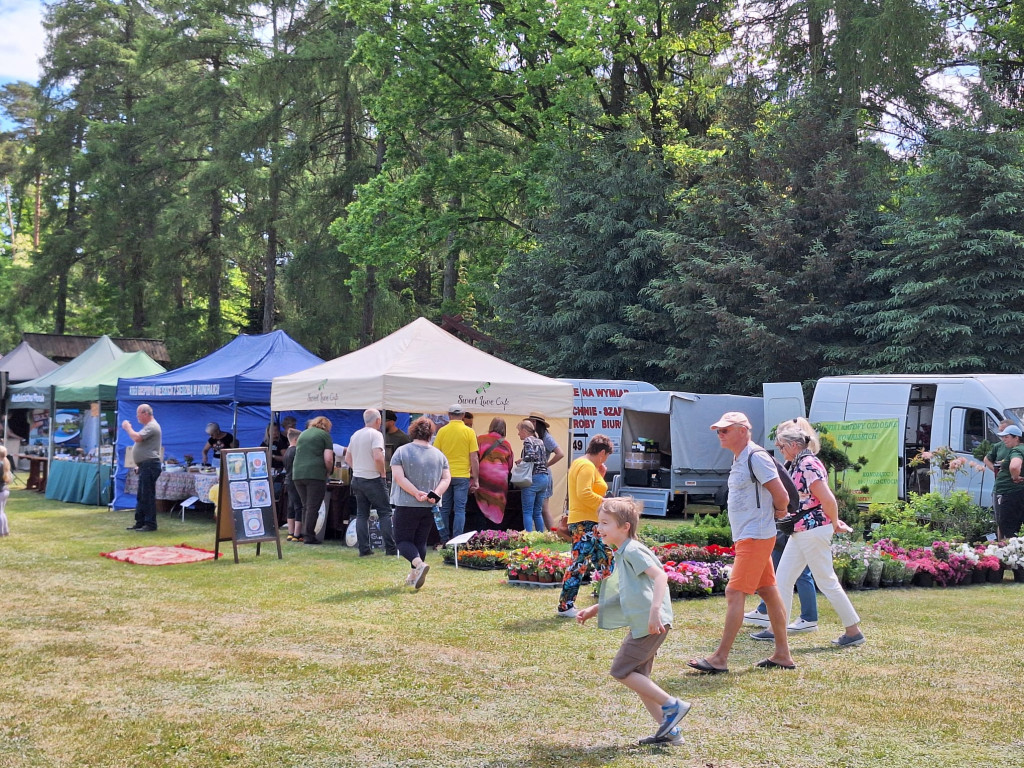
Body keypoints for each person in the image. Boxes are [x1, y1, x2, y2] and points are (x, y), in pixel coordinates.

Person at [577, 497, 691, 746]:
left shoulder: (632, 550)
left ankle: (673, 706)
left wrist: (654, 611)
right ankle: (669, 732)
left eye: (606, 523)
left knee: (621, 670)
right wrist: (596, 608)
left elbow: (661, 577)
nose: (600, 528)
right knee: (640, 678)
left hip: (650, 623)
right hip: (644, 623)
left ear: (625, 527)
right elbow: (627, 592)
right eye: (599, 523)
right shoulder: (624, 552)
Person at [688, 412, 795, 673]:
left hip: (756, 535)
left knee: (734, 592)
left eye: (725, 430)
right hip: (752, 535)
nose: (720, 434)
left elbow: (781, 495)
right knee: (769, 592)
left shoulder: (755, 457)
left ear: (743, 430)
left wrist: (780, 513)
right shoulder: (741, 457)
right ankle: (783, 655)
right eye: (718, 431)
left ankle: (720, 658)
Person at [749, 418, 865, 648]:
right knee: (783, 578)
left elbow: (828, 499)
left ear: (793, 445)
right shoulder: (803, 463)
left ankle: (853, 631)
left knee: (826, 580)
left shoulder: (807, 465)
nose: (780, 452)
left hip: (812, 529)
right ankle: (776, 628)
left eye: (781, 447)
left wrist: (834, 523)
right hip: (804, 529)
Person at [390, 417, 452, 589]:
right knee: (420, 542)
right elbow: (446, 478)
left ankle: (418, 565)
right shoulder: (440, 455)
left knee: (402, 541)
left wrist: (415, 492)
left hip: (406, 503)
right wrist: (436, 493)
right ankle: (413, 576)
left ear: (412, 431)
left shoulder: (401, 452)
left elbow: (399, 477)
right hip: (430, 506)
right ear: (431, 434)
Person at [557, 434, 615, 618]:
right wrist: (607, 504)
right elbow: (584, 494)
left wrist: (601, 474)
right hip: (586, 522)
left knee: (605, 558)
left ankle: (613, 599)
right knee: (579, 563)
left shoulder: (581, 463)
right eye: (606, 456)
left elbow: (587, 490)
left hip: (588, 521)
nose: (606, 460)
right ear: (602, 453)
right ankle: (565, 606)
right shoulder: (587, 466)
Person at [345, 409, 398, 557]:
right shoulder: (376, 435)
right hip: (373, 479)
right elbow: (378, 457)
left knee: (361, 514)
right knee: (385, 512)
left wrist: (358, 468)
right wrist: (382, 473)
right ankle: (391, 549)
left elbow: (348, 458)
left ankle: (364, 549)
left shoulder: (355, 435)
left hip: (357, 478)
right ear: (378, 420)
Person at [743, 535, 818, 633]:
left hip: (799, 529)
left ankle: (809, 618)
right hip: (789, 529)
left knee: (802, 574)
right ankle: (764, 610)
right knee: (775, 566)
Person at [433, 405, 479, 539]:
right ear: (463, 415)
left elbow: (436, 455)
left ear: (449, 414)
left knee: (445, 509)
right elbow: (474, 457)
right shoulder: (469, 432)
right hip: (462, 476)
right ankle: (457, 540)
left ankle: (444, 538)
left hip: (445, 476)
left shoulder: (442, 431)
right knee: (460, 510)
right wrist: (475, 479)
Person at [292, 416, 334, 545]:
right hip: (315, 474)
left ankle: (305, 533)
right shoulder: (324, 436)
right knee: (313, 507)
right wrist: (329, 471)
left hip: (297, 473)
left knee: (306, 506)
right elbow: (328, 458)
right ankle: (309, 536)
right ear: (327, 426)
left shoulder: (303, 434)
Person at [123, 404, 162, 532]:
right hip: (146, 465)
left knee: (147, 495)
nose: (137, 417)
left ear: (145, 413)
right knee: (142, 495)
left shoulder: (152, 426)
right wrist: (140, 464)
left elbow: (137, 438)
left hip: (150, 465)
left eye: (138, 413)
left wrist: (128, 428)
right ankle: (140, 522)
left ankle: (150, 524)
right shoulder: (148, 426)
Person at [527, 411, 565, 530]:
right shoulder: (537, 437)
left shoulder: (546, 437)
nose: (529, 424)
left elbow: (560, 453)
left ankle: (552, 533)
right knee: (540, 508)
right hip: (539, 474)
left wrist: (546, 464)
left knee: (544, 508)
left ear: (536, 423)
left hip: (543, 475)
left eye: (531, 422)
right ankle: (549, 534)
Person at [475, 418, 515, 525]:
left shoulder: (480, 439)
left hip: (483, 477)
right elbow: (510, 464)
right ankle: (494, 530)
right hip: (501, 479)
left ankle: (482, 530)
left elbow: (474, 458)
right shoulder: (506, 444)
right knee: (497, 503)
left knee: (482, 502)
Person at [515, 420, 549, 532]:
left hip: (533, 478)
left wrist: (521, 460)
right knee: (537, 511)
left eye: (519, 431)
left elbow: (531, 456)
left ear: (524, 431)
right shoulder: (540, 441)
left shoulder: (528, 440)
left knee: (527, 511)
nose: (518, 434)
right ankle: (541, 536)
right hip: (544, 478)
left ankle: (528, 536)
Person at [993, 424, 1024, 538]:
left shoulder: (1017, 450)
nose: (1004, 439)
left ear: (1016, 438)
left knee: (1007, 525)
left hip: (1011, 493)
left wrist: (1015, 477)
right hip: (1017, 493)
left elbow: (1015, 466)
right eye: (1003, 437)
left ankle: (1010, 552)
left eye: (1007, 437)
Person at [985, 419, 1015, 531]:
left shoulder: (1018, 448)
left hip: (1016, 487)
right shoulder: (998, 446)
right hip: (1000, 488)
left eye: (1004, 433)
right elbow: (987, 459)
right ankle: (1001, 544)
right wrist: (996, 471)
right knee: (1000, 520)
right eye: (1000, 432)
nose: (1002, 437)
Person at [282, 428, 303, 542]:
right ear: (295, 439)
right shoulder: (296, 451)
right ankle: (297, 533)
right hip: (295, 480)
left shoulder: (287, 452)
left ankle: (290, 532)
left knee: (291, 506)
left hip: (288, 480)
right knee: (298, 506)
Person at [0, 445, 11, 536]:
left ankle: (1, 532)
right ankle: (5, 530)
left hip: (0, 490)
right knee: (1, 512)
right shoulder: (5, 462)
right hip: (5, 489)